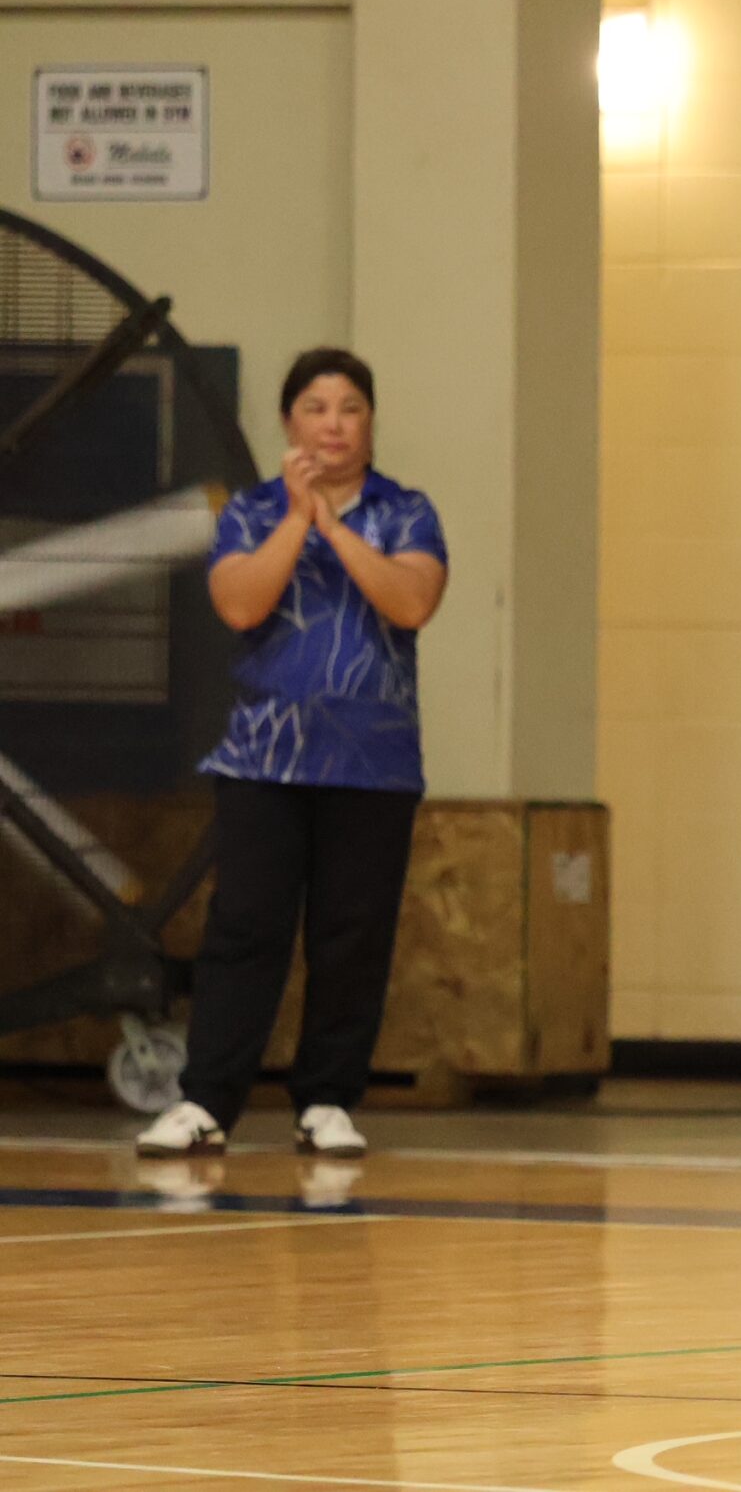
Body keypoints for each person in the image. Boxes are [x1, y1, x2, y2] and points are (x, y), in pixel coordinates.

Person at [136, 348, 448, 1162]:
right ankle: (207, 1100)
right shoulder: (248, 512)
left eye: (349, 407)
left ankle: (328, 1099)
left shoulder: (406, 512)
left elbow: (411, 598)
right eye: (316, 407)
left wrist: (334, 524)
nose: (334, 423)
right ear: (288, 422)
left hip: (372, 764)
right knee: (245, 929)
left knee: (353, 935)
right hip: (262, 760)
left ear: (370, 423)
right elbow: (241, 603)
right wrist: (296, 517)